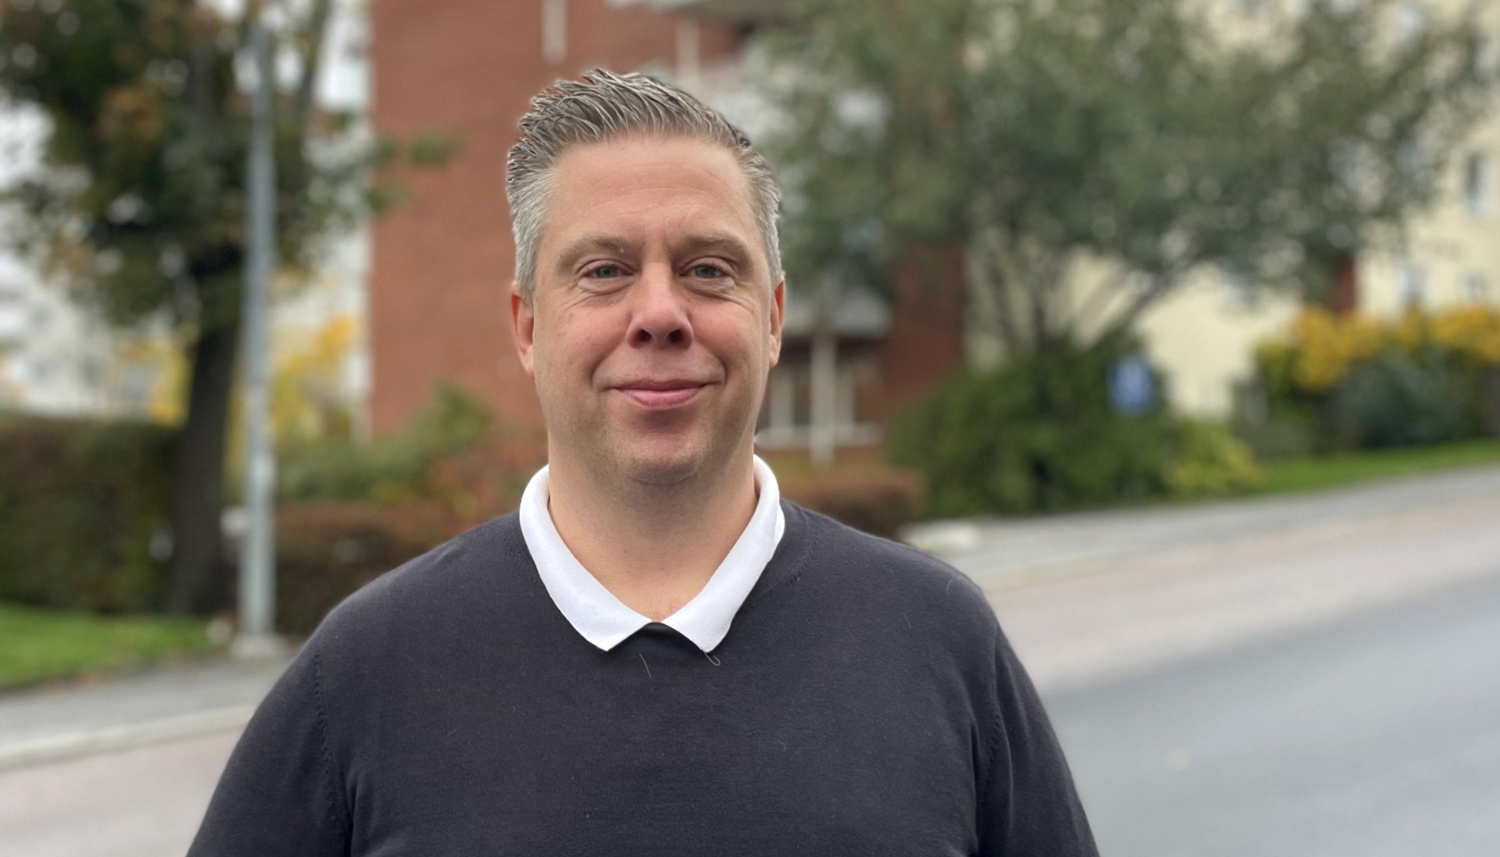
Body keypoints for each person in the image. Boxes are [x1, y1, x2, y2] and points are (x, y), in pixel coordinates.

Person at [188, 68, 1098, 856]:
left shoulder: (940, 642)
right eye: (604, 270)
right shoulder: (367, 671)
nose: (659, 313)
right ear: (526, 326)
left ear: (773, 318)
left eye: (708, 269)